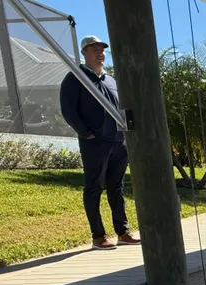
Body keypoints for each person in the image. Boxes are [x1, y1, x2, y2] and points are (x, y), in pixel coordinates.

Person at [60, 35, 139, 250]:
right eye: (94, 49)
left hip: (118, 142)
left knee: (117, 188)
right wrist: (86, 133)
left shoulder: (111, 80)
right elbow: (68, 110)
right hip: (95, 143)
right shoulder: (75, 78)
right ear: (84, 52)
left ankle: (122, 232)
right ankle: (98, 236)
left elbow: (123, 107)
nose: (100, 53)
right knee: (94, 187)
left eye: (102, 49)